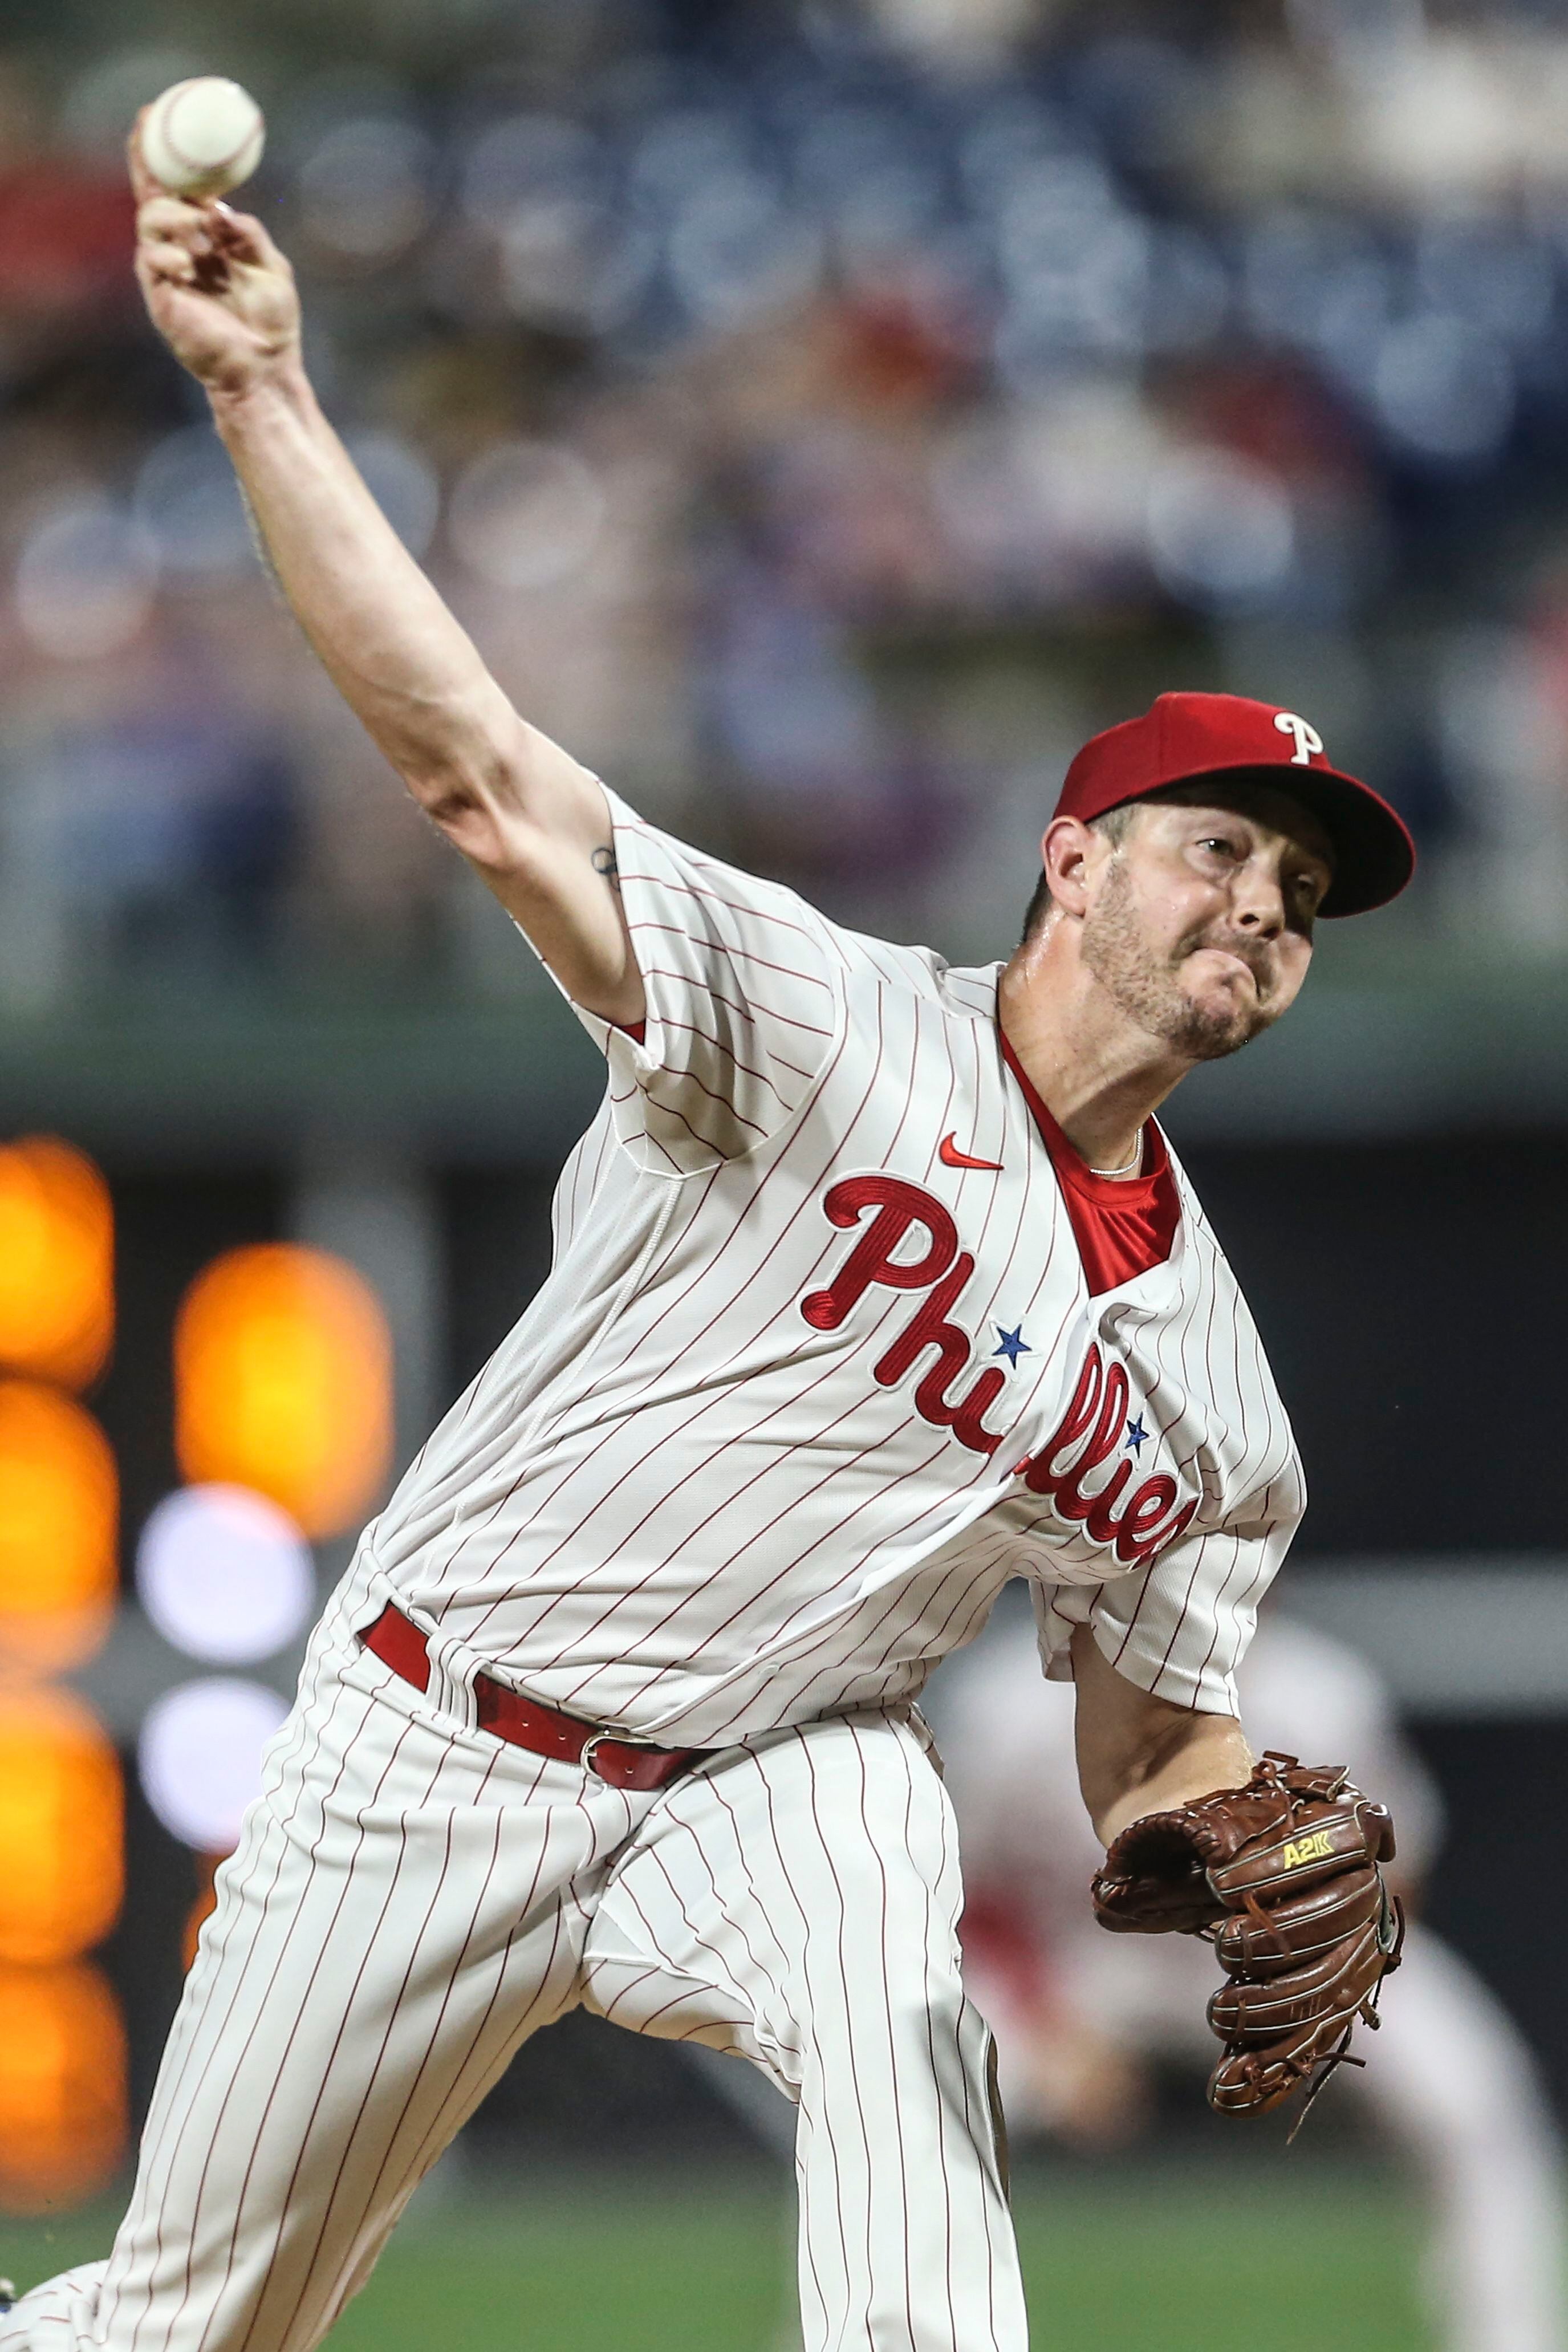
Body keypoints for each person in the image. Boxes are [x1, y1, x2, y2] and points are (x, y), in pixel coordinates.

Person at [0, 144, 1415, 2352]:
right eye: (1219, 844)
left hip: (776, 1769)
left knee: (888, 1959)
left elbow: (1159, 1735)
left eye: (1302, 899)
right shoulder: (812, 1015)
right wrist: (266, 390)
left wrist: (1236, 1816)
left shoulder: (1210, 1396)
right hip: (436, 1737)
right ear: (1070, 860)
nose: (1260, 903)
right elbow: (474, 768)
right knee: (187, 2320)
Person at [933, 1602, 1568, 2352]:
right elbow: (957, 1895)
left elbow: (1395, 1882)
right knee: (925, 2098)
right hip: (1083, 1964)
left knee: (1469, 2094)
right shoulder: (1007, 1702)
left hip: (1298, 1961)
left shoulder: (1318, 1690)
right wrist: (1047, 2026)